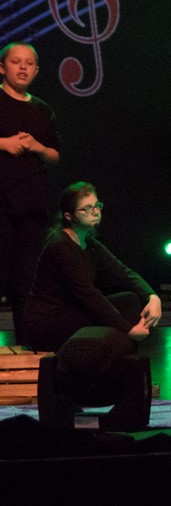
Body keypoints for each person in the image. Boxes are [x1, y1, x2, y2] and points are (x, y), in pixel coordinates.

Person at [23, 182, 162, 355]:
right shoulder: (60, 246)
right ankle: (121, 361)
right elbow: (88, 295)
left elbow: (123, 272)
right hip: (47, 324)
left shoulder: (89, 243)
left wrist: (152, 297)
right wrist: (129, 330)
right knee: (116, 324)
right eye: (87, 209)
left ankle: (121, 360)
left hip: (72, 314)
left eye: (97, 205)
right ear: (69, 216)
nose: (96, 212)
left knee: (130, 299)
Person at [0, 42, 61, 344]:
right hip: (1, 202)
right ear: (2, 67)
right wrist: (4, 143)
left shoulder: (42, 109)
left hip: (31, 205)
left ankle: (25, 347)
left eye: (29, 63)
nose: (23, 67)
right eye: (16, 62)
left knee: (25, 284)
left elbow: (54, 155)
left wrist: (37, 147)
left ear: (36, 70)